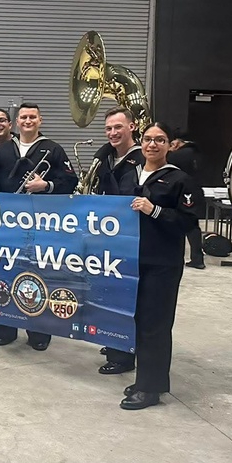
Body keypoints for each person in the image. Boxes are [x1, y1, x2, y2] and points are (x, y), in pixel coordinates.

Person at [121, 121, 203, 410]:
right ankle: (146, 378)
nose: (152, 144)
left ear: (170, 145)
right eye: (147, 139)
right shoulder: (131, 174)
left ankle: (150, 389)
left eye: (160, 140)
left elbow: (189, 222)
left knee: (155, 326)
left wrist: (155, 210)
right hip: (131, 261)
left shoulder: (180, 180)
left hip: (161, 264)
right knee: (138, 322)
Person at [0, 103, 78, 350]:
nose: (28, 121)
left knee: (38, 275)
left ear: (40, 120)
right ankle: (5, 328)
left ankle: (39, 332)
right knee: (6, 272)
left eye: (33, 117)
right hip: (7, 224)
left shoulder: (53, 149)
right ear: (16, 122)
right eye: (23, 117)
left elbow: (70, 181)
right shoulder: (3, 150)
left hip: (41, 224)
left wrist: (46, 186)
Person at [93, 106, 145, 375]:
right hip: (105, 236)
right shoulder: (107, 158)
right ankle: (114, 340)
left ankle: (123, 356)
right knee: (106, 293)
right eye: (108, 128)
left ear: (132, 127)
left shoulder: (141, 159)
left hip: (129, 238)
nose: (112, 133)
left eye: (118, 127)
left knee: (124, 296)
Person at [169, 133, 206, 269]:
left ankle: (197, 259)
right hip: (196, 190)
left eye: (172, 145)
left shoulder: (181, 154)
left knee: (189, 225)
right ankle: (197, 257)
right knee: (193, 224)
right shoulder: (196, 152)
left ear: (178, 143)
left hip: (186, 192)